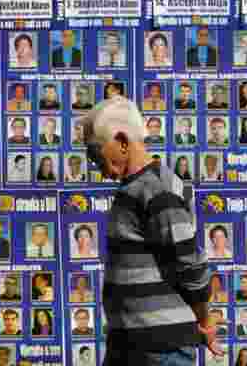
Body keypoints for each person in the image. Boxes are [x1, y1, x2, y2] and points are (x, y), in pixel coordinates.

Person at [82, 96, 220, 365]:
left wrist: (205, 320)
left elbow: (189, 264)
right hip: (129, 345)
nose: (93, 162)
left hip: (160, 351)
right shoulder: (133, 189)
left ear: (122, 142)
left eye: (95, 152)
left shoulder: (159, 189)